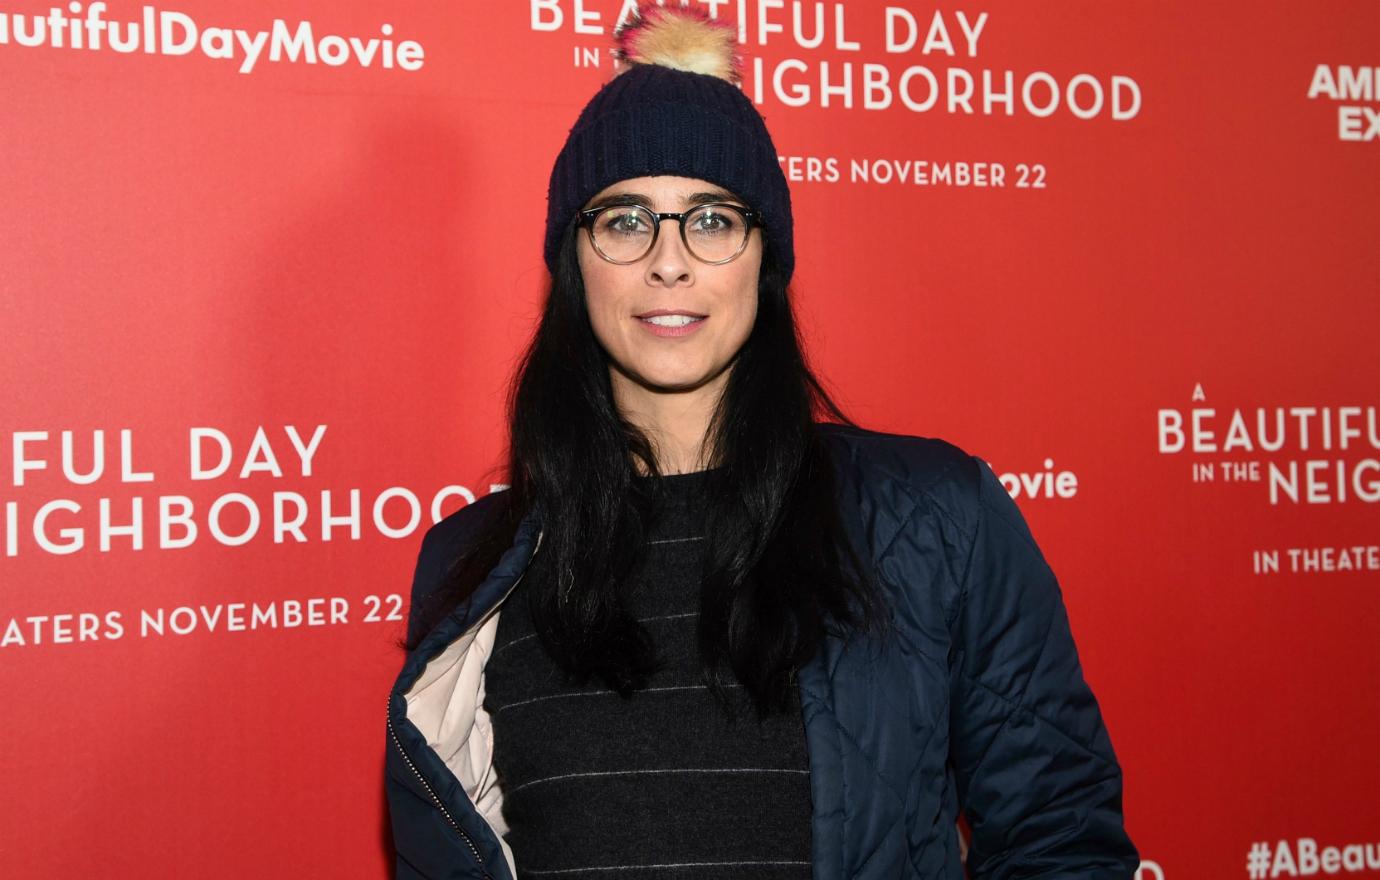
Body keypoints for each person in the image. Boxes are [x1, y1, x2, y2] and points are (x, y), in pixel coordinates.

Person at [384, 4, 1138, 879]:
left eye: (712, 218)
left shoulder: (937, 518)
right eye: (625, 219)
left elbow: (1060, 840)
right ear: (573, 261)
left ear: (763, 257)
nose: (670, 261)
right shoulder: (471, 568)